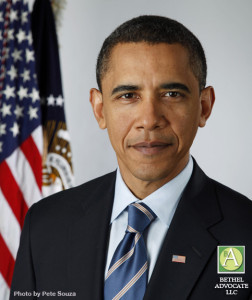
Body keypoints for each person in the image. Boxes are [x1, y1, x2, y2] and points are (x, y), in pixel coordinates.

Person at [10, 15, 252, 300]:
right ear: (100, 110)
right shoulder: (45, 226)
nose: (149, 120)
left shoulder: (245, 232)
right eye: (128, 95)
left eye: (172, 93)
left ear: (204, 106)